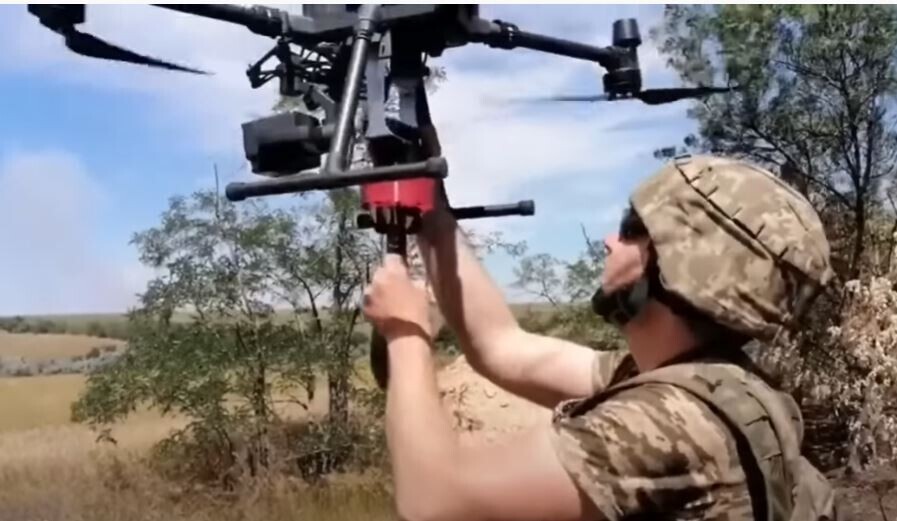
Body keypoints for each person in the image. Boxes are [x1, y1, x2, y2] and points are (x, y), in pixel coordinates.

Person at [362, 153, 837, 521]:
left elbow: (434, 501)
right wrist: (430, 207)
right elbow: (502, 347)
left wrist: (405, 331)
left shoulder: (672, 423)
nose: (611, 240)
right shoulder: (711, 385)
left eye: (632, 230)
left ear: (682, 264)